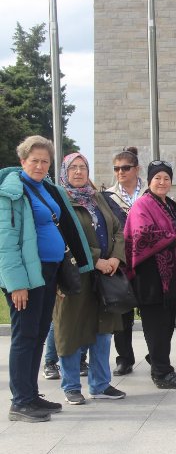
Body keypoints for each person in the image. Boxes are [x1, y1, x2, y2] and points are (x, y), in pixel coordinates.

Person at [0, 136, 93, 422]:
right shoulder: (12, 191)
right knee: (25, 337)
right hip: (27, 275)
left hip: (49, 272)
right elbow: (5, 241)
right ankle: (20, 401)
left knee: (38, 335)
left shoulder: (45, 189)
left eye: (45, 161)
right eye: (34, 160)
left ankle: (30, 394)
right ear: (22, 161)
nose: (40, 166)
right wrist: (16, 284)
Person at [54, 152, 127, 405]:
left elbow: (118, 229)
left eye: (82, 167)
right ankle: (71, 385)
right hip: (75, 275)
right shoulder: (60, 201)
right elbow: (65, 237)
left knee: (103, 331)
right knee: (71, 331)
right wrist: (95, 259)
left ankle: (100, 384)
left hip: (105, 276)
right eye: (72, 167)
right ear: (64, 171)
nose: (78, 172)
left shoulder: (97, 198)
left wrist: (116, 258)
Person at [123, 161, 176, 389]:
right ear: (150, 180)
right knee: (156, 324)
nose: (162, 182)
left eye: (166, 178)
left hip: (169, 277)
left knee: (166, 324)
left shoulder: (170, 205)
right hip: (150, 275)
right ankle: (161, 373)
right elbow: (141, 235)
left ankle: (157, 359)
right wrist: (173, 239)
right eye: (157, 178)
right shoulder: (143, 205)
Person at [104, 147, 145, 377]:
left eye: (125, 168)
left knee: (152, 311)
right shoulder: (108, 197)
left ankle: (157, 354)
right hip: (122, 261)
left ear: (136, 169)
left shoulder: (150, 193)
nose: (120, 172)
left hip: (148, 260)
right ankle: (124, 358)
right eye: (116, 168)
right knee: (123, 313)